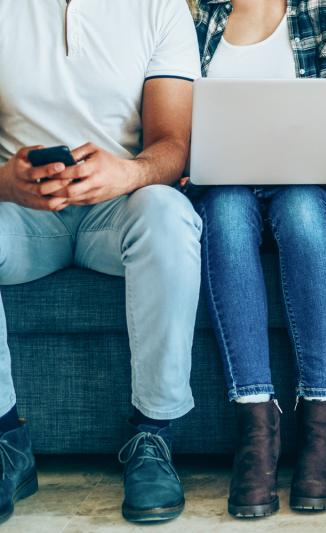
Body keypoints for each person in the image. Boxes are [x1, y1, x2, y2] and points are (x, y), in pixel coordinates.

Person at [0, 0, 202, 525]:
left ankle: (153, 438)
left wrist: (129, 174)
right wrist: (6, 181)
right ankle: (6, 444)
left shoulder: (161, 9)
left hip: (116, 212)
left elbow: (173, 144)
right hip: (20, 215)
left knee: (168, 212)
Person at [190, 0, 326, 519]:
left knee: (300, 206)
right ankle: (256, 428)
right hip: (226, 189)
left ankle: (322, 427)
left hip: (315, 192)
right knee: (226, 212)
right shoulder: (196, 16)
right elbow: (176, 119)